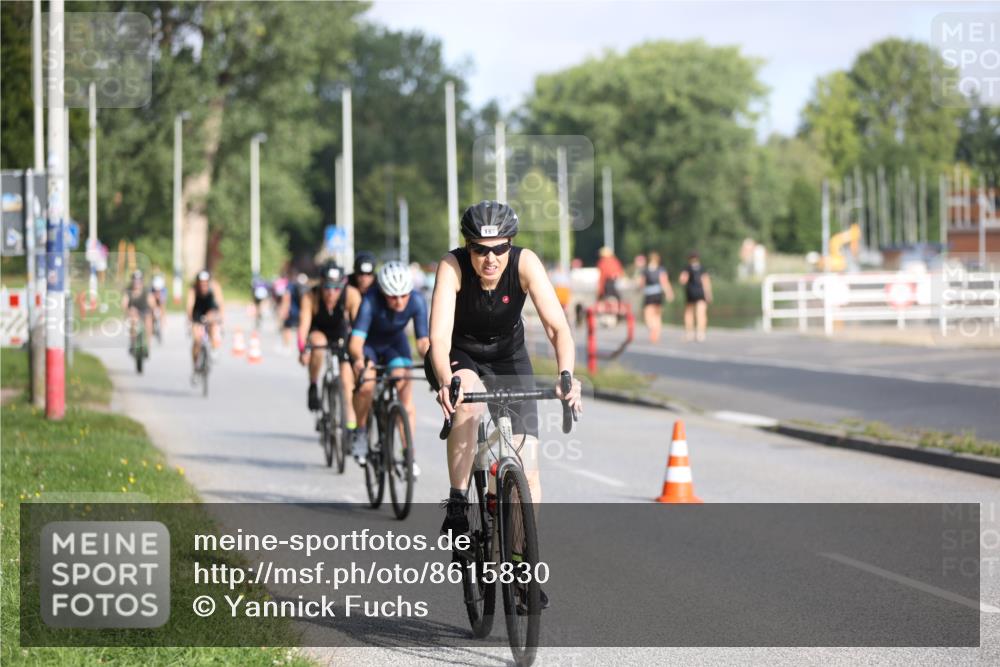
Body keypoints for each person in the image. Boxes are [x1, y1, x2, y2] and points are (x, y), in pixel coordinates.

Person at [427, 201, 582, 540]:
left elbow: (558, 329)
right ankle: (457, 502)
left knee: (528, 472)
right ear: (468, 247)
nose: (491, 258)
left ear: (510, 244)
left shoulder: (526, 263)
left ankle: (521, 568)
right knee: (468, 402)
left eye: (500, 248)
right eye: (480, 250)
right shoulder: (451, 267)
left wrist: (566, 374)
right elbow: (438, 337)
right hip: (460, 354)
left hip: (508, 356)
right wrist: (445, 380)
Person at [349, 261, 430, 467]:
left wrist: (432, 361)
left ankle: (408, 453)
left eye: (404, 295)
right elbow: (356, 341)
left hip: (395, 344)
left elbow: (422, 342)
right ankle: (360, 431)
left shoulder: (417, 301)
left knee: (404, 388)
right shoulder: (370, 300)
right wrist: (359, 360)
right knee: (366, 385)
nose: (400, 301)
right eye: (393, 296)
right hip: (370, 346)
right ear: (383, 292)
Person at [298, 263, 355, 443]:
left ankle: (351, 426)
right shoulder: (310, 296)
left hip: (341, 333)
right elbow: (303, 326)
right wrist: (302, 350)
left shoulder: (351, 295)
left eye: (337, 287)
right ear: (321, 285)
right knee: (318, 344)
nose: (332, 293)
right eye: (327, 287)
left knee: (347, 379)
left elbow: (360, 325)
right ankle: (314, 383)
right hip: (318, 330)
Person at [186, 269, 225, 369]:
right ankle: (195, 365)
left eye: (205, 283)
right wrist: (190, 321)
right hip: (197, 311)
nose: (203, 286)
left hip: (210, 309)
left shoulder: (214, 287)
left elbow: (220, 303)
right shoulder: (193, 289)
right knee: (197, 340)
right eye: (201, 283)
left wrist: (221, 319)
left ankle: (213, 348)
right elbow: (190, 306)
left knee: (212, 321)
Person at [639, 251, 674, 343]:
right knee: (657, 316)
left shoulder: (645, 270)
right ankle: (656, 333)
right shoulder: (661, 270)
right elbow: (665, 282)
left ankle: (652, 329)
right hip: (658, 295)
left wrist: (639, 289)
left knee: (647, 315)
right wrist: (669, 293)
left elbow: (642, 284)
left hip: (649, 295)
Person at [122, 270, 156, 358]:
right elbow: (124, 303)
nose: (137, 282)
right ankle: (133, 343)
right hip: (133, 312)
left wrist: (154, 309)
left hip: (145, 311)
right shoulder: (128, 291)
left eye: (139, 279)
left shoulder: (146, 290)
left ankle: (148, 347)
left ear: (141, 281)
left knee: (149, 321)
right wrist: (127, 310)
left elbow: (151, 301)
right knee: (133, 319)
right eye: (135, 279)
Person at [679, 252, 712, 342]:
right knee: (701, 313)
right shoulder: (702, 268)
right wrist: (708, 294)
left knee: (689, 313)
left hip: (690, 292)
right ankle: (700, 333)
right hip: (700, 292)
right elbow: (706, 281)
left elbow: (682, 280)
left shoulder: (687, 268)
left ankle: (689, 333)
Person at [279, 272, 308, 350]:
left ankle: (287, 345)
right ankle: (301, 344)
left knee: (287, 326)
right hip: (305, 312)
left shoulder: (291, 286)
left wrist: (284, 310)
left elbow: (286, 298)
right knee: (302, 327)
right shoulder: (308, 288)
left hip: (292, 311)